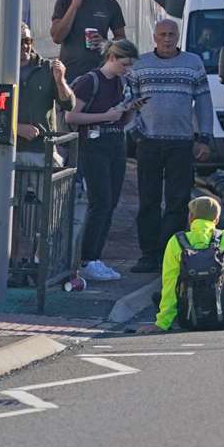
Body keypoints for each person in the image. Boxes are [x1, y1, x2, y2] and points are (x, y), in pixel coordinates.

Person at [126, 19, 214, 273]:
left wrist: (205, 137)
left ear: (178, 36)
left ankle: (170, 253)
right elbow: (128, 101)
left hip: (182, 143)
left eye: (172, 34)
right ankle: (148, 254)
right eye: (162, 34)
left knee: (178, 201)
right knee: (148, 201)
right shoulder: (140, 65)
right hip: (149, 142)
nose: (167, 39)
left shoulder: (192, 63)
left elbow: (204, 102)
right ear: (154, 37)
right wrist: (134, 132)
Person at [65, 39, 147, 283]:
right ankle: (87, 259)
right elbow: (71, 116)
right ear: (111, 58)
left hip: (115, 143)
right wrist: (106, 115)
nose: (128, 69)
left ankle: (95, 257)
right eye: (124, 64)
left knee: (110, 203)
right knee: (100, 202)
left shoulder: (122, 82)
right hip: (92, 146)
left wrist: (131, 108)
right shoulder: (89, 81)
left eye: (131, 65)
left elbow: (122, 117)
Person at [149, 195, 224, 332]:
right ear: (216, 220)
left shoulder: (176, 241)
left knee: (157, 295)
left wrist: (161, 324)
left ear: (191, 218)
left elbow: (170, 286)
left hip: (188, 320)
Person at [49, 0, 127, 80]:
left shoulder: (110, 4)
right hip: (70, 75)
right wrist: (74, 6)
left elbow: (122, 39)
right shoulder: (65, 1)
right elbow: (57, 37)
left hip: (101, 74)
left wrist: (105, 43)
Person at [13, 25, 76, 170]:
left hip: (43, 152)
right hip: (8, 152)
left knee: (44, 192)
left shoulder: (47, 68)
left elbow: (69, 105)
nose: (25, 46)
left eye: (28, 41)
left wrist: (60, 81)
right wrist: (16, 128)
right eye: (20, 41)